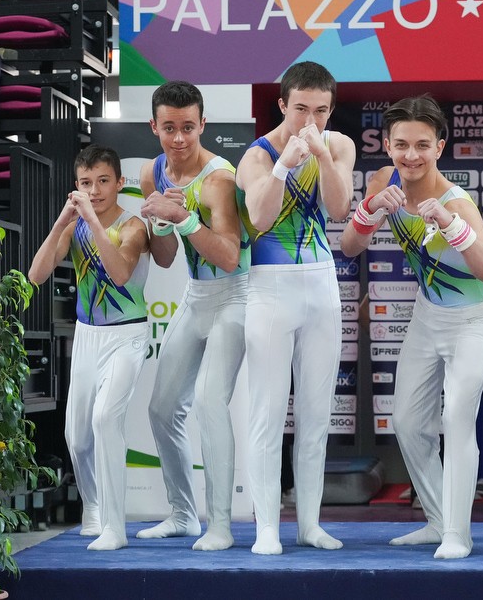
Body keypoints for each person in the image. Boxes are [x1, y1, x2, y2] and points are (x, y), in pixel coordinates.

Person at [341, 95, 483, 559]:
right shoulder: (383, 181)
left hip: (472, 320)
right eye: (401, 145)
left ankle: (458, 533)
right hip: (426, 315)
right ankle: (437, 520)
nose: (411, 155)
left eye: (422, 145)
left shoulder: (458, 202)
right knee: (409, 423)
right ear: (387, 146)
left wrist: (452, 226)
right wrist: (371, 208)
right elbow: (350, 248)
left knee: (456, 420)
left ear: (439, 147)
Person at [235, 60, 355, 555]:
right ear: (282, 104)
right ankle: (267, 527)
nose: (311, 119)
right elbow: (260, 218)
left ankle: (309, 524)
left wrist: (321, 155)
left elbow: (339, 209)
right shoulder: (256, 156)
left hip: (321, 287)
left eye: (321, 110)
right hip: (270, 290)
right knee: (267, 413)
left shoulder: (339, 144)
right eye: (301, 108)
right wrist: (285, 165)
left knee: (315, 414)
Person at [135, 81, 248, 551]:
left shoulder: (220, 179)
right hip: (195, 295)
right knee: (162, 409)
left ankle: (220, 524)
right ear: (154, 127)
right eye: (169, 128)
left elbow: (229, 257)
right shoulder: (151, 172)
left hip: (236, 296)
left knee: (208, 402)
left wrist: (184, 218)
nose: (179, 138)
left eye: (188, 127)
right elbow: (163, 258)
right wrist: (160, 221)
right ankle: (183, 515)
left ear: (203, 124)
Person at [28, 144, 150, 551]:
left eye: (102, 181)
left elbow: (119, 274)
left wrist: (93, 223)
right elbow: (36, 275)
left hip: (127, 336)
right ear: (75, 185)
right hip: (87, 336)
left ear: (118, 183)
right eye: (85, 183)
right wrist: (62, 221)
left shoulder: (133, 227)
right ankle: (94, 506)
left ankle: (115, 527)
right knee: (77, 437)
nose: (94, 191)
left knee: (104, 419)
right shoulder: (74, 225)